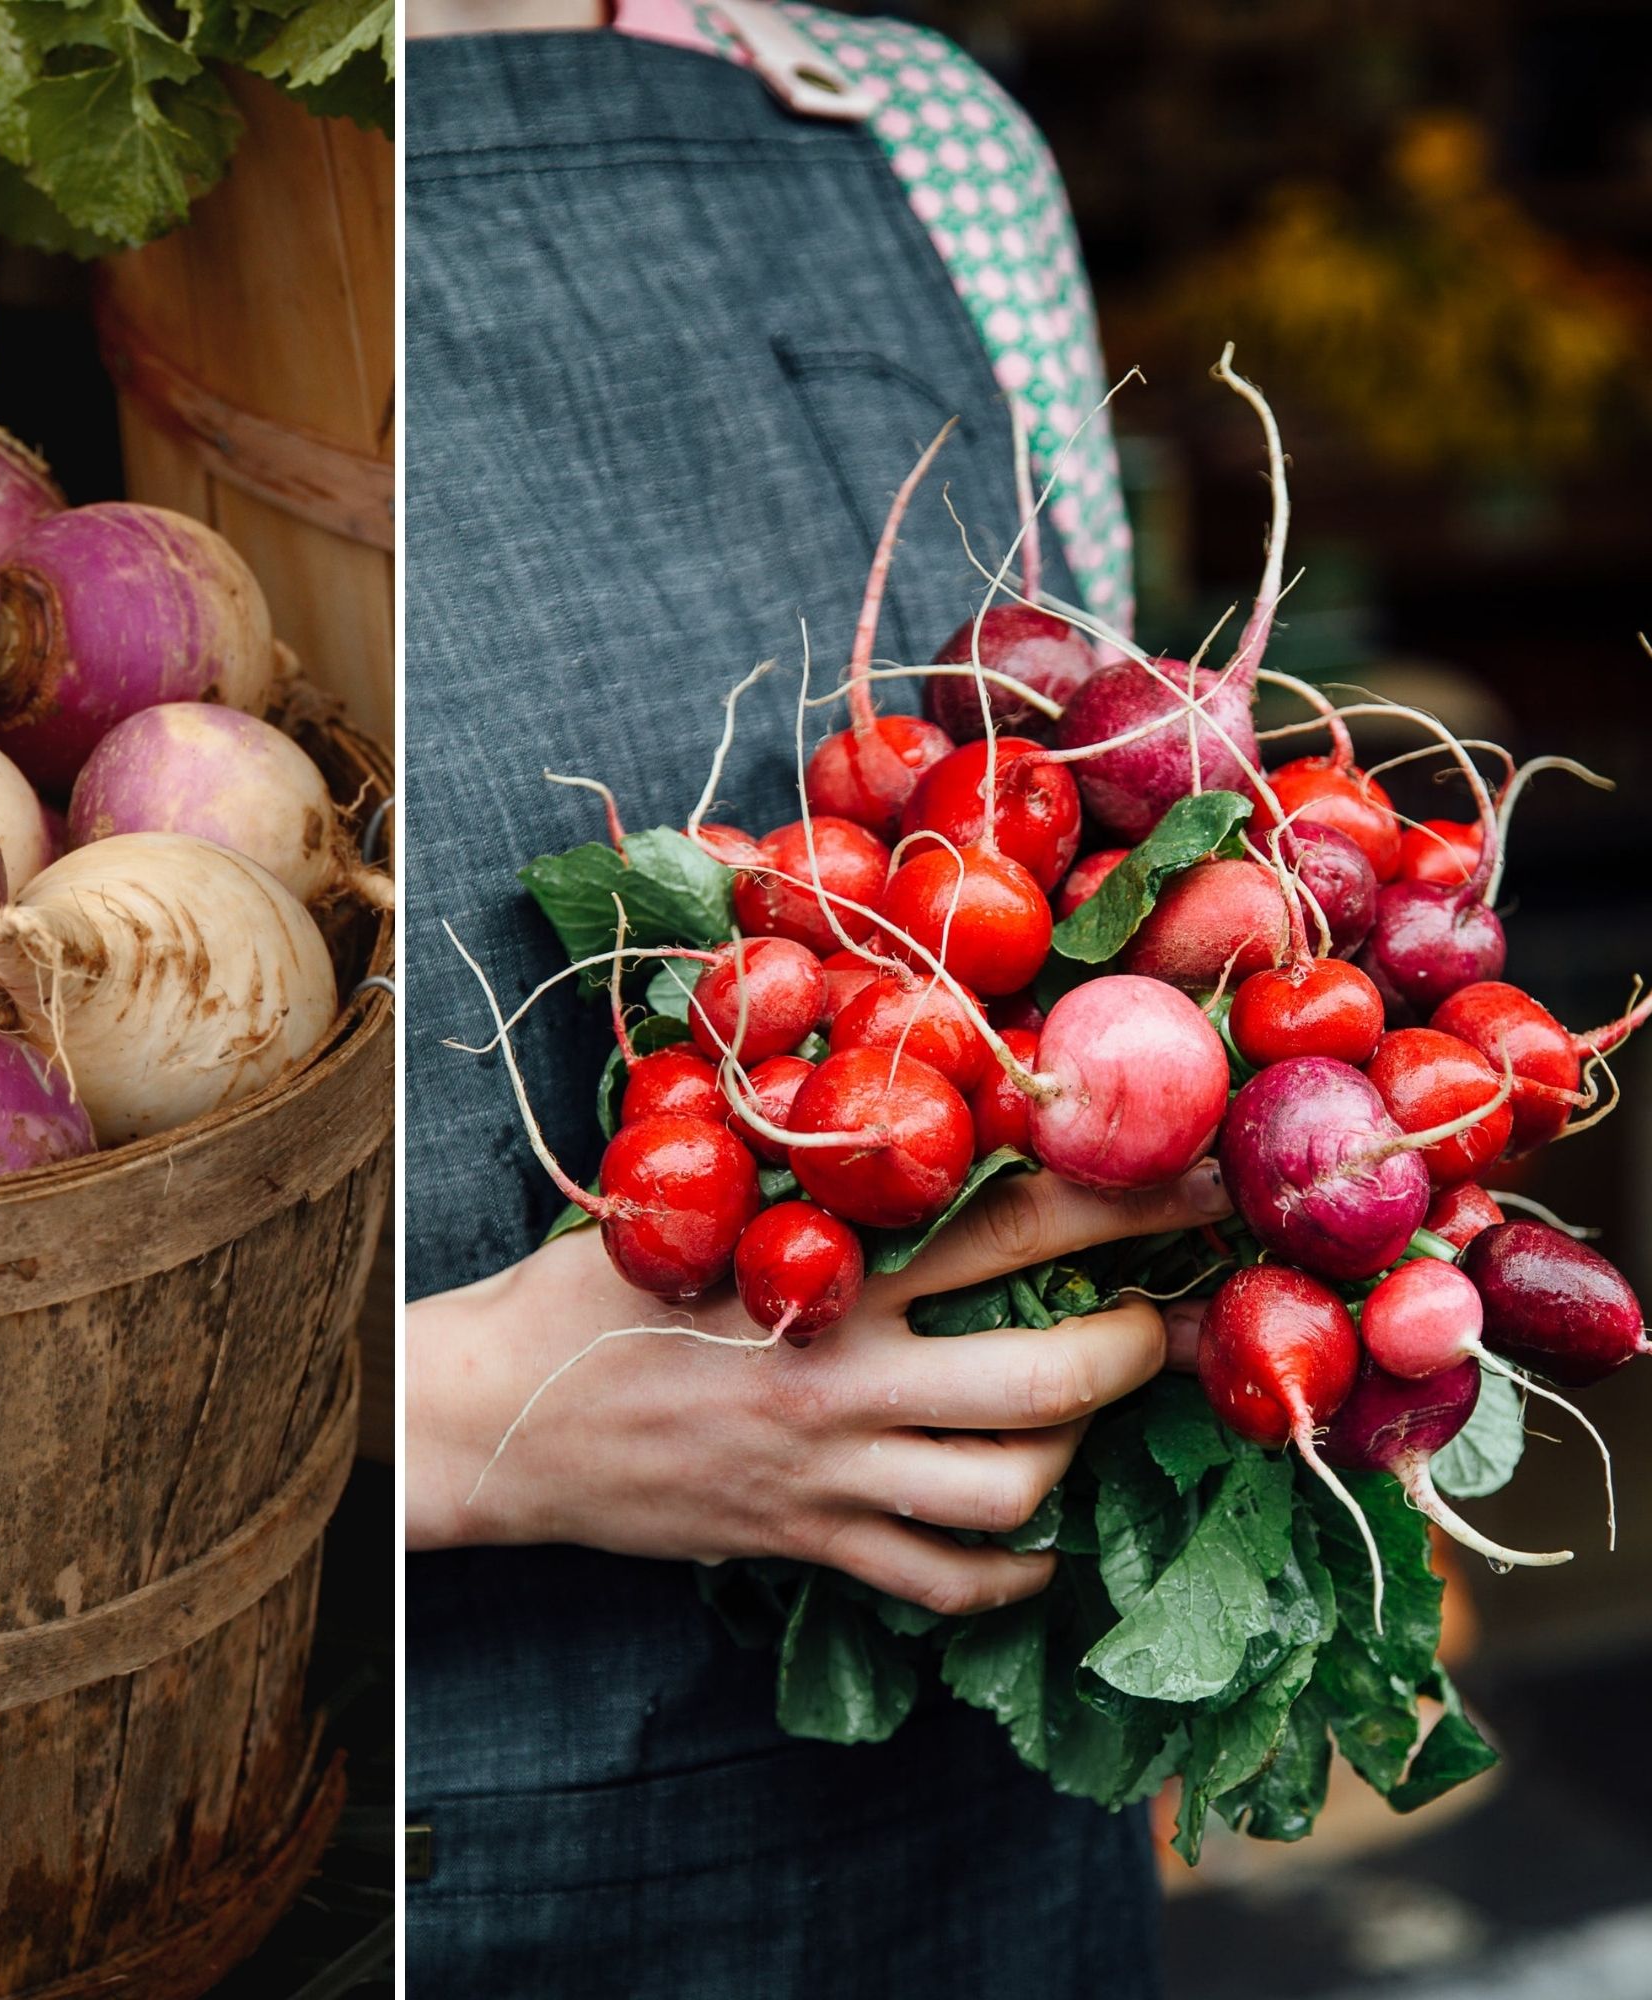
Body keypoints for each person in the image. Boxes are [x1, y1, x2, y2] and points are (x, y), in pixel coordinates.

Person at [402, 7, 1221, 1992]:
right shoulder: (120, 180)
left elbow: (1132, 854)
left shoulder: (928, 143)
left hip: (979, 1833)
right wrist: (465, 1425)